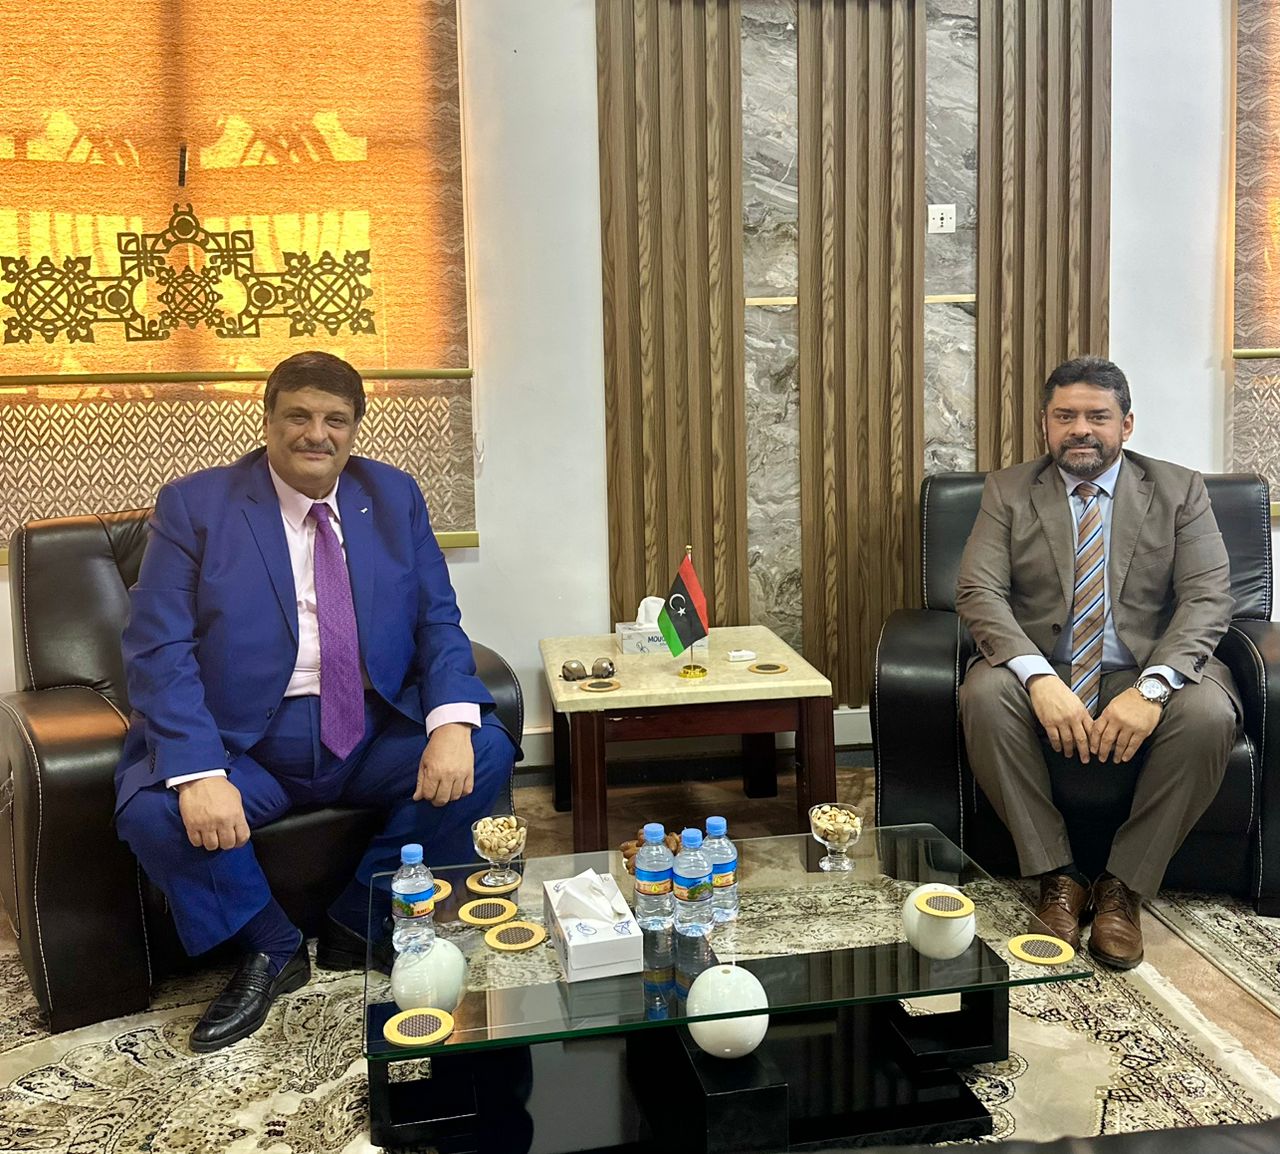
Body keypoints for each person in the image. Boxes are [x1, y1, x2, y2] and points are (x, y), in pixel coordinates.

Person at [114, 350, 517, 1052]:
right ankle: (270, 946)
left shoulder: (392, 496)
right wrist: (200, 771)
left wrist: (452, 721)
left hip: (367, 731)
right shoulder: (196, 506)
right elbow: (158, 648)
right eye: (298, 415)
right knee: (153, 809)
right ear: (268, 420)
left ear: (355, 427)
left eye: (335, 419)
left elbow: (437, 620)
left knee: (485, 747)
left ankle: (363, 917)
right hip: (249, 742)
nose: (316, 434)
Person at [955, 356, 1238, 969]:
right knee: (983, 694)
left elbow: (1209, 597)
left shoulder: (1179, 490)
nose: (1080, 429)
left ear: (1126, 424)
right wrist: (1037, 677)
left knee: (1209, 713)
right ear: (1045, 423)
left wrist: (1153, 688)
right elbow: (979, 591)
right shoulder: (1008, 490)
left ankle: (1123, 887)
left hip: (1145, 665)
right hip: (1045, 664)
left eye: (1097, 416)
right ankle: (1058, 877)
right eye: (1065, 416)